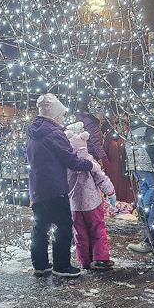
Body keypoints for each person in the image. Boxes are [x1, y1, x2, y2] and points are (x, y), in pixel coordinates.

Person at [26, 93, 95, 278]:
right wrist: (88, 164)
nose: (63, 119)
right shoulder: (55, 134)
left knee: (40, 226)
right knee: (63, 225)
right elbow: (70, 160)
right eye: (62, 115)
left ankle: (40, 264)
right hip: (55, 187)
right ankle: (62, 265)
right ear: (55, 115)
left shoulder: (32, 132)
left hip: (37, 187)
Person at [64, 122, 116, 270]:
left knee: (80, 234)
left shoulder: (66, 164)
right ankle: (100, 258)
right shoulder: (90, 162)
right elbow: (101, 178)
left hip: (74, 205)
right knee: (98, 230)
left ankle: (84, 260)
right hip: (92, 203)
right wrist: (110, 192)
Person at [126, 118, 154, 253]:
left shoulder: (132, 128)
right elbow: (151, 146)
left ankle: (142, 211)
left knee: (144, 188)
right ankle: (144, 211)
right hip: (147, 164)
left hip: (135, 164)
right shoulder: (149, 125)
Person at [76, 100, 108, 164]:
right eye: (102, 112)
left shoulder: (84, 120)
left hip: (81, 154)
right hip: (91, 156)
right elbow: (95, 142)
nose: (103, 115)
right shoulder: (92, 123)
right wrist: (104, 158)